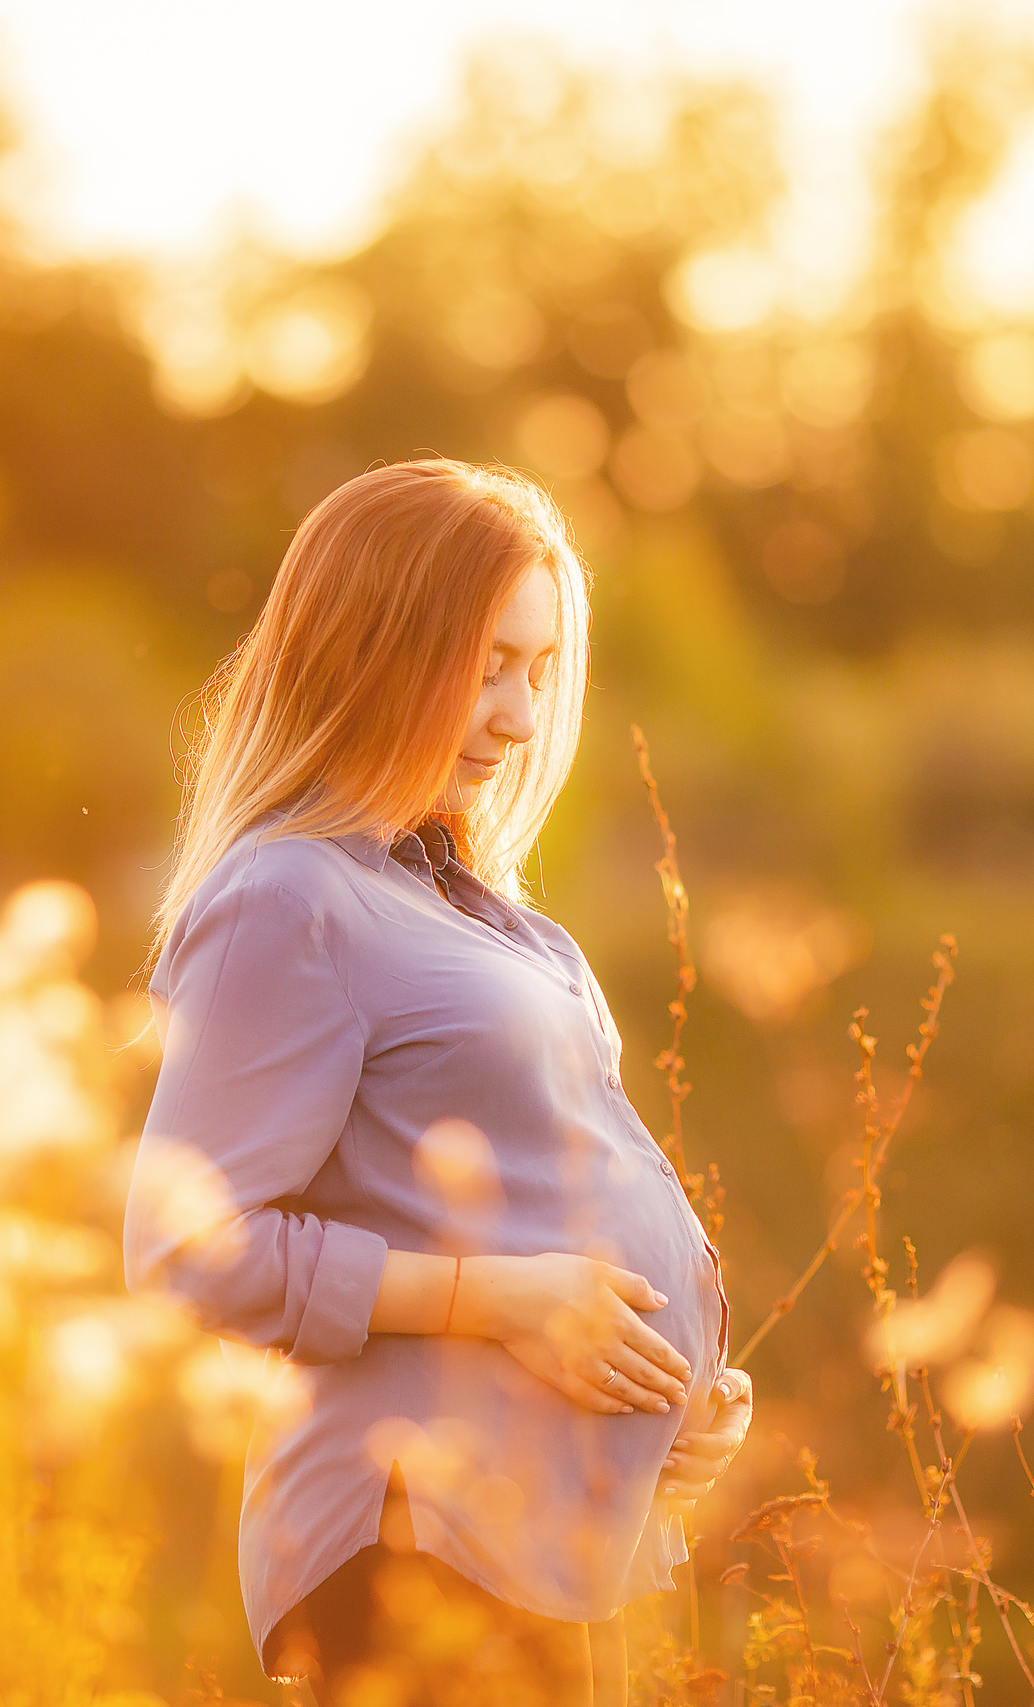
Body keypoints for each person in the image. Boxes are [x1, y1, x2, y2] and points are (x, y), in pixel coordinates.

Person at [124, 458, 753, 1705]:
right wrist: (505, 1301)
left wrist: (679, 1398)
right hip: (413, 1538)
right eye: (486, 665)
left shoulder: (473, 910)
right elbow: (184, 1247)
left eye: (538, 669)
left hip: (552, 1545)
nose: (520, 718)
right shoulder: (287, 897)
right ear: (374, 651)